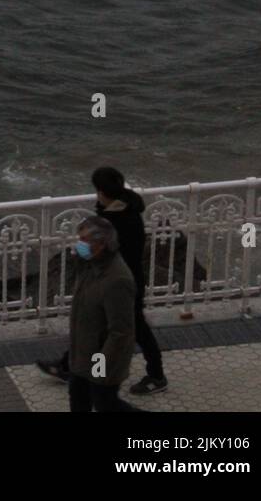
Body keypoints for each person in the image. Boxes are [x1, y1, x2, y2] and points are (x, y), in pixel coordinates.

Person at [36, 167, 168, 395]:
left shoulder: (114, 221)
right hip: (126, 277)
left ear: (101, 191)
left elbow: (100, 251)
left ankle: (152, 375)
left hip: (116, 283)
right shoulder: (128, 210)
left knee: (126, 329)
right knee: (112, 327)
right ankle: (73, 367)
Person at [64, 216, 142, 412]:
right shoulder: (90, 264)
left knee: (106, 404)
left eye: (84, 240)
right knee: (78, 399)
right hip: (82, 354)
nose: (79, 244)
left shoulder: (117, 280)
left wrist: (98, 370)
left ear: (101, 244)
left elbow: (120, 331)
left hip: (100, 361)